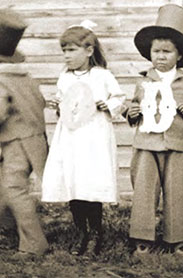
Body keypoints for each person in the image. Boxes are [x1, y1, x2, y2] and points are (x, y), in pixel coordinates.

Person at [40, 20, 125, 256]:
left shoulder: (102, 76)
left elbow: (119, 98)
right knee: (73, 181)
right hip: (70, 135)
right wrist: (58, 106)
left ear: (89, 51)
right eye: (64, 51)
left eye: (71, 50)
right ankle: (82, 232)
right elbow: (64, 103)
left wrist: (106, 104)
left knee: (90, 183)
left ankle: (96, 234)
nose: (66, 56)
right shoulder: (64, 77)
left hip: (94, 136)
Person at [125, 4, 183, 256]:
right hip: (146, 144)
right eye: (156, 51)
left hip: (177, 144)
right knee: (145, 191)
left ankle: (177, 239)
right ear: (149, 54)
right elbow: (133, 104)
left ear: (179, 55)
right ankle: (143, 239)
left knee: (178, 191)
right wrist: (131, 111)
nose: (161, 56)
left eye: (167, 51)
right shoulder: (143, 81)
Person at [0, 9, 49, 259]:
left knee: (15, 189)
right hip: (34, 139)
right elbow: (40, 103)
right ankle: (8, 228)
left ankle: (34, 244)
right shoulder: (27, 79)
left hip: (17, 142)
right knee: (3, 180)